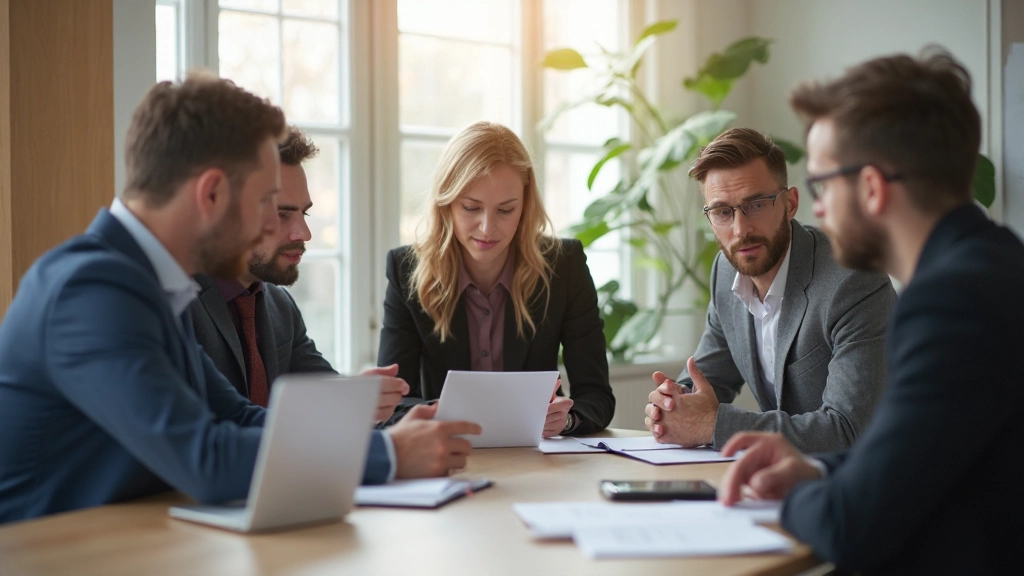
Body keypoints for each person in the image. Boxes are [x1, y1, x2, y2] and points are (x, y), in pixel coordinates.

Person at [0, 74, 479, 524]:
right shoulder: (93, 290)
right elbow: (204, 457)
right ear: (211, 193)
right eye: (264, 203)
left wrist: (385, 438)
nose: (272, 229)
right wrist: (389, 456)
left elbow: (237, 416)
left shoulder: (149, 283)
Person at [718, 49, 1024, 573]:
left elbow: (853, 525)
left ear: (871, 188)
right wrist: (816, 474)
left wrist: (777, 500)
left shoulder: (953, 303)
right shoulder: (993, 265)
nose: (816, 210)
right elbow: (923, 463)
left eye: (821, 186)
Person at [644, 128, 894, 452]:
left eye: (757, 205)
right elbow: (708, 379)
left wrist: (713, 425)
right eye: (722, 212)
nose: (740, 229)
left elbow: (849, 429)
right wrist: (672, 402)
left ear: (790, 204)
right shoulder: (725, 272)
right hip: (784, 481)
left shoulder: (854, 281)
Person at [378, 121, 615, 436]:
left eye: (505, 210)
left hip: (538, 463)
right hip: (447, 459)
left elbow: (597, 396)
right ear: (446, 203)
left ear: (525, 206)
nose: (487, 228)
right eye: (471, 208)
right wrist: (451, 416)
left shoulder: (564, 265)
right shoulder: (406, 269)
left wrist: (566, 420)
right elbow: (393, 403)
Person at [189, 127, 406, 424]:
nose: (304, 233)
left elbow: (329, 394)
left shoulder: (280, 307)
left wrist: (364, 397)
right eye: (281, 214)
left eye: (304, 214)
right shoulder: (176, 305)